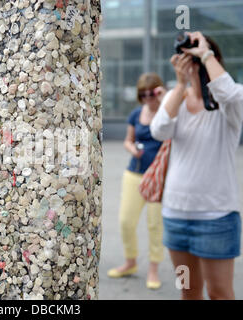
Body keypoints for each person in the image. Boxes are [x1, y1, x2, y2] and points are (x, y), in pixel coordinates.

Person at [150, 31, 243, 300]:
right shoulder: (177, 98)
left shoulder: (230, 102)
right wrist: (181, 85)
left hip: (216, 219)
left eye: (195, 59)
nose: (191, 64)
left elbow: (231, 95)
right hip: (175, 218)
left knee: (219, 294)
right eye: (187, 58)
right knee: (188, 290)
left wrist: (205, 54)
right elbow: (158, 130)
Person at [107, 73, 167, 290]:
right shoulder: (135, 114)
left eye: (152, 93)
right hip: (134, 173)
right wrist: (132, 149)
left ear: (159, 91)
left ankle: (153, 269)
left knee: (154, 224)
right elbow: (128, 140)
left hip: (158, 176)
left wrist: (166, 99)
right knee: (126, 221)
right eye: (143, 94)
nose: (148, 97)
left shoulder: (167, 113)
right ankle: (130, 262)